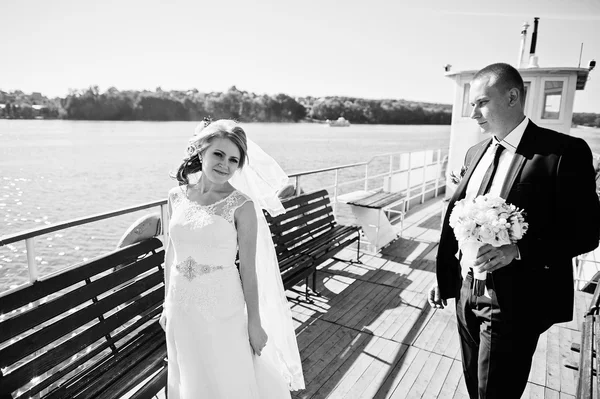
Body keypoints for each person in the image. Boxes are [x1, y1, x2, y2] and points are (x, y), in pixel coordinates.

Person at [428, 63, 600, 398]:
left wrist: (517, 250)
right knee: (474, 388)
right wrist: (444, 278)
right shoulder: (474, 152)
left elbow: (587, 232)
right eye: (471, 104)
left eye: (480, 102)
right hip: (467, 295)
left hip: (517, 304)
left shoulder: (564, 153)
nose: (473, 113)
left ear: (511, 96)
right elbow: (458, 225)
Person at [159, 118, 304, 398]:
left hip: (222, 306)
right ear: (201, 151)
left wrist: (255, 322)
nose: (224, 164)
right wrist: (167, 304)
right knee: (189, 373)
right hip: (181, 306)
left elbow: (249, 268)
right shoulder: (176, 196)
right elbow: (171, 252)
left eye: (233, 160)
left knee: (226, 376)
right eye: (218, 154)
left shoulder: (243, 206)